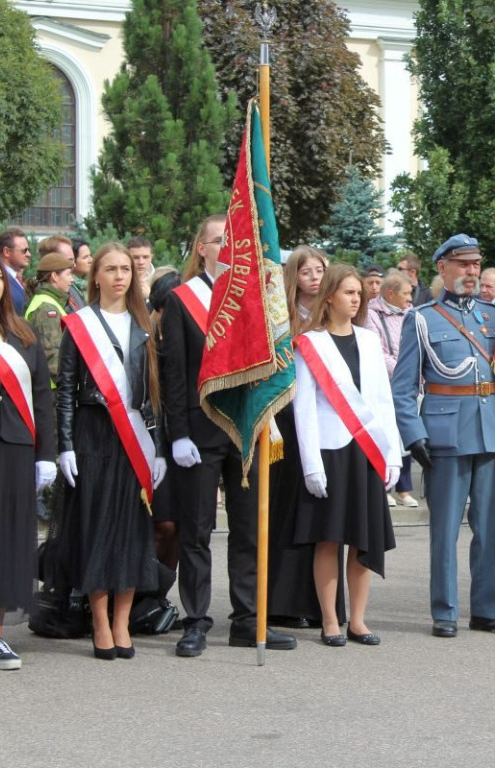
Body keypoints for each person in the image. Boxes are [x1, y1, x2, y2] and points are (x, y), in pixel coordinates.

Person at [161, 214, 296, 657]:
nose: (227, 248)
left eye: (234, 241)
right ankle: (195, 620)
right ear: (201, 248)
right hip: (199, 430)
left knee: (249, 529)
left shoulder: (254, 299)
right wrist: (177, 434)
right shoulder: (182, 300)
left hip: (246, 426)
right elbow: (174, 373)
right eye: (219, 240)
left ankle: (247, 620)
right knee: (197, 531)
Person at [391, 233, 495, 638]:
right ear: (442, 268)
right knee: (445, 530)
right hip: (444, 434)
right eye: (463, 264)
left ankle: (488, 609)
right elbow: (403, 388)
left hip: (491, 432)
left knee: (493, 529)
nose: (471, 271)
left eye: (475, 264)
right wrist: (414, 434)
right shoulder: (422, 319)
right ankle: (445, 611)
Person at [56, 243, 167, 660]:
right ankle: (100, 622)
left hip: (135, 438)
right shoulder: (79, 324)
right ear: (96, 277)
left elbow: (156, 392)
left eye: (126, 269)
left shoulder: (145, 324)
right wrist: (65, 445)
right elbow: (65, 390)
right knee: (97, 526)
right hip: (93, 433)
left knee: (132, 530)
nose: (120, 276)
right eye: (111, 269)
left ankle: (123, 622)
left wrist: (160, 449)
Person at [292, 264, 400, 646]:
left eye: (359, 294)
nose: (357, 299)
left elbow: (382, 400)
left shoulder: (369, 341)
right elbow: (304, 408)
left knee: (362, 537)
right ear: (330, 296)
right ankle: (329, 621)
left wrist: (393, 454)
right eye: (349, 293)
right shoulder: (310, 343)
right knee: (328, 539)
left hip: (367, 449)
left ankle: (358, 620)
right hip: (330, 451)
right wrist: (311, 465)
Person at [0, 248, 56, 671]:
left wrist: (46, 454)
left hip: (14, 448)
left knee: (5, 538)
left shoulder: (22, 334)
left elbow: (41, 397)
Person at [268, 244, 333, 630]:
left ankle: (316, 603)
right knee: (286, 509)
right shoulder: (283, 316)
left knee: (319, 514)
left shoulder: (331, 315)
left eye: (320, 270)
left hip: (325, 419)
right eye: (306, 271)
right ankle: (281, 601)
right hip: (287, 419)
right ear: (294, 275)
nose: (314, 278)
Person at [364, 269, 419, 508]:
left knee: (405, 434)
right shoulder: (371, 314)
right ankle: (383, 486)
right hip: (385, 383)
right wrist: (405, 372)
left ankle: (404, 489)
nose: (410, 298)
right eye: (405, 293)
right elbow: (377, 351)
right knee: (385, 435)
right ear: (390, 293)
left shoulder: (412, 314)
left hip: (408, 385)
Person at [147, 267, 183, 575]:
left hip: (183, 437)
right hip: (150, 439)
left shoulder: (186, 336)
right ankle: (145, 587)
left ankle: (161, 589)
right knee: (164, 524)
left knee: (180, 525)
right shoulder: (145, 339)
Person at [24, 252, 74, 389]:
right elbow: (52, 356)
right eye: (68, 274)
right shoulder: (47, 309)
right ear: (54, 276)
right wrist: (69, 387)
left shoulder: (49, 302)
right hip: (53, 389)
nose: (72, 279)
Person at [0, 228, 30, 314]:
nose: (28, 254)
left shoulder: (14, 278)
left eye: (28, 250)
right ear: (6, 252)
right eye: (24, 251)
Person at [127, 236, 155, 301]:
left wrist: (150, 297)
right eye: (135, 257)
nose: (141, 262)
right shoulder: (119, 280)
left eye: (145, 257)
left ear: (151, 257)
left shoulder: (160, 281)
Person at [69, 238, 92, 312]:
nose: (91, 260)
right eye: (85, 257)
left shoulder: (89, 283)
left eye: (90, 255)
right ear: (73, 261)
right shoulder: (68, 287)